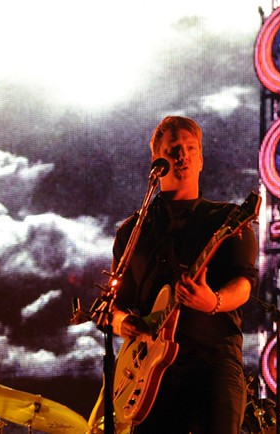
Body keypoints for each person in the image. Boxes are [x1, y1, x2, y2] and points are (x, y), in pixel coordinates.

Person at [110, 115, 258, 434]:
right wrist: (123, 322)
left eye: (192, 148)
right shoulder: (132, 232)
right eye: (174, 148)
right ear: (157, 160)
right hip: (150, 375)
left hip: (212, 363)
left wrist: (214, 301)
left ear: (201, 160)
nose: (183, 155)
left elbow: (244, 282)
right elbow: (116, 304)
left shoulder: (229, 219)